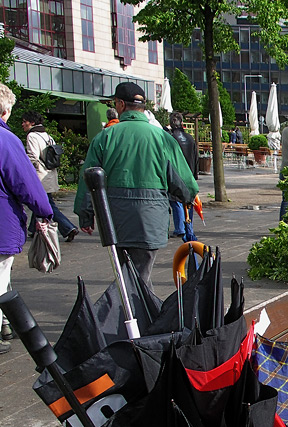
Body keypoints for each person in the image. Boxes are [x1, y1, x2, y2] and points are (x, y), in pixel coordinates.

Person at [74, 82, 199, 288]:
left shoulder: (105, 137)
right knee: (141, 273)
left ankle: (131, 314)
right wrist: (188, 199)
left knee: (127, 273)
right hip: (150, 218)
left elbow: (89, 179)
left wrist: (85, 214)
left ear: (121, 104)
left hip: (115, 218)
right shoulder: (162, 138)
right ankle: (139, 315)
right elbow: (185, 184)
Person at [0, 83, 53, 354]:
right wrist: (44, 210)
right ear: (6, 110)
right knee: (0, 275)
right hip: (1, 222)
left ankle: (6, 322)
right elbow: (25, 183)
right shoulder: (5, 140)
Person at [21, 111, 80, 242]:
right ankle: (32, 230)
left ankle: (68, 227)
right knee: (40, 202)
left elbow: (32, 158)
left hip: (40, 176)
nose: (22, 124)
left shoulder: (32, 136)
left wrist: (27, 171)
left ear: (32, 123)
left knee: (47, 205)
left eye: (25, 121)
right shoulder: (46, 135)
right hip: (50, 174)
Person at [167, 112, 199, 238]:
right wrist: (194, 174)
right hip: (189, 173)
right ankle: (188, 225)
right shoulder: (190, 138)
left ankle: (180, 228)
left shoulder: (170, 138)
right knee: (189, 200)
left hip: (176, 173)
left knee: (175, 200)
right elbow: (196, 157)